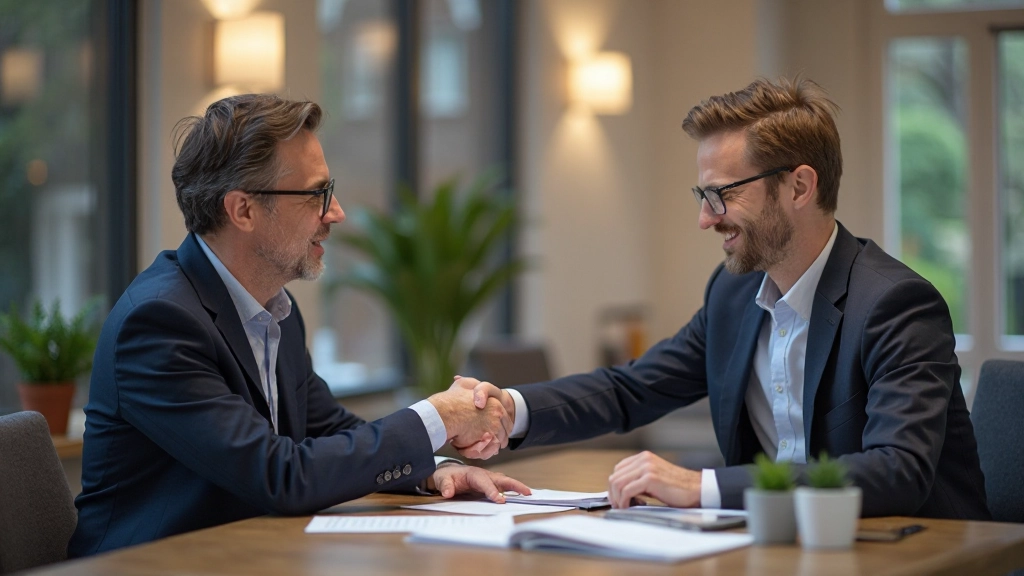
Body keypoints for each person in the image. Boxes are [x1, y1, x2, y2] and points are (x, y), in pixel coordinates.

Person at [458, 77, 990, 520]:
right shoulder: (733, 295)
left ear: (800, 187)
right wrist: (510, 410)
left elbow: (899, 471)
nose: (706, 218)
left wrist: (702, 488)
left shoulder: (896, 304)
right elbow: (631, 389)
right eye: (703, 195)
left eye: (724, 194)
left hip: (914, 555)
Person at [68, 94, 525, 557]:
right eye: (315, 194)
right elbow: (279, 475)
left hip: (248, 558)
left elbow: (329, 430)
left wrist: (433, 470)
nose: (336, 213)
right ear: (242, 210)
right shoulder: (159, 323)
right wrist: (440, 416)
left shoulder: (276, 311)